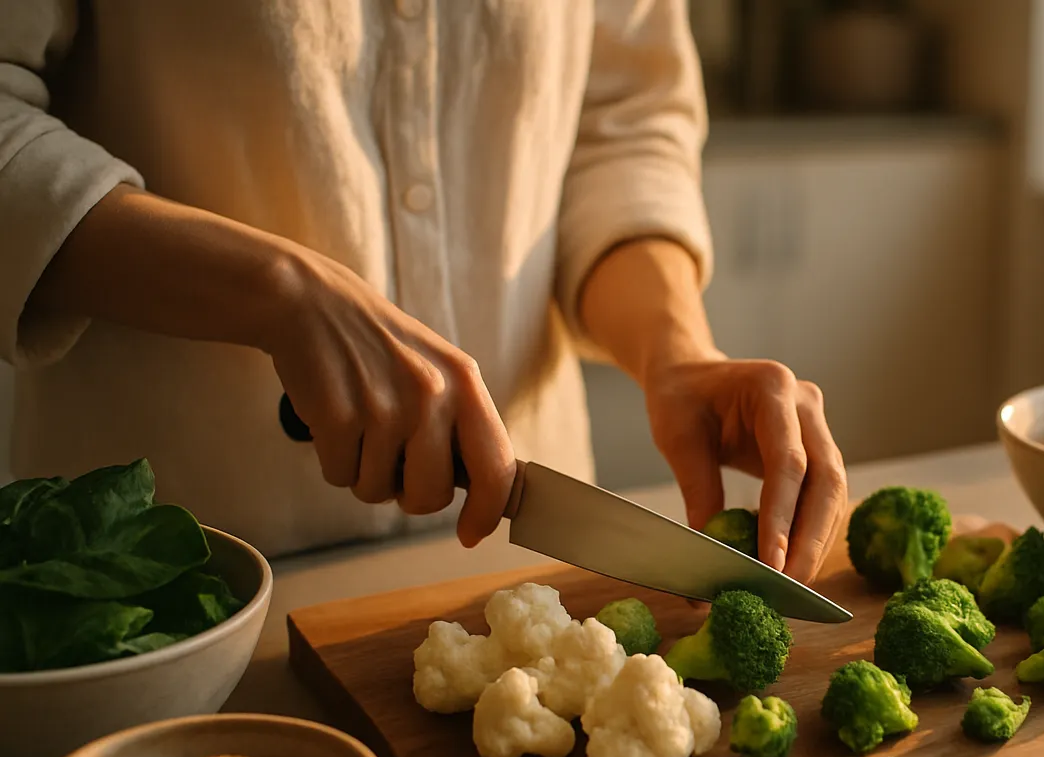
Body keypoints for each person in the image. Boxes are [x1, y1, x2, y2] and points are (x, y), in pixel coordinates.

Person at [0, 2, 848, 582]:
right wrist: (275, 290)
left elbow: (621, 125)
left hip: (517, 570)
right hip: (167, 580)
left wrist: (674, 351)